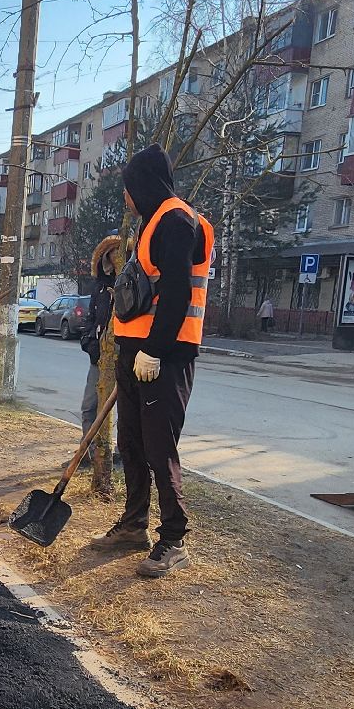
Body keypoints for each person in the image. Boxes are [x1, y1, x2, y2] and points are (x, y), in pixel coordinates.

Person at [95, 144, 212, 578]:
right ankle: (133, 524)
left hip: (164, 354)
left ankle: (174, 538)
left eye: (128, 188)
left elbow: (178, 293)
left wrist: (155, 350)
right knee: (133, 443)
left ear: (142, 185)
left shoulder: (177, 220)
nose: (125, 197)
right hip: (136, 351)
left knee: (160, 448)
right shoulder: (152, 221)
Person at [78, 233, 123, 466]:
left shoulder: (132, 284)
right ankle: (87, 454)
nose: (115, 257)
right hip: (99, 357)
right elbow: (91, 319)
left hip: (123, 356)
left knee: (122, 411)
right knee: (89, 406)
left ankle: (119, 456)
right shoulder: (100, 288)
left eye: (119, 252)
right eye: (111, 254)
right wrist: (89, 343)